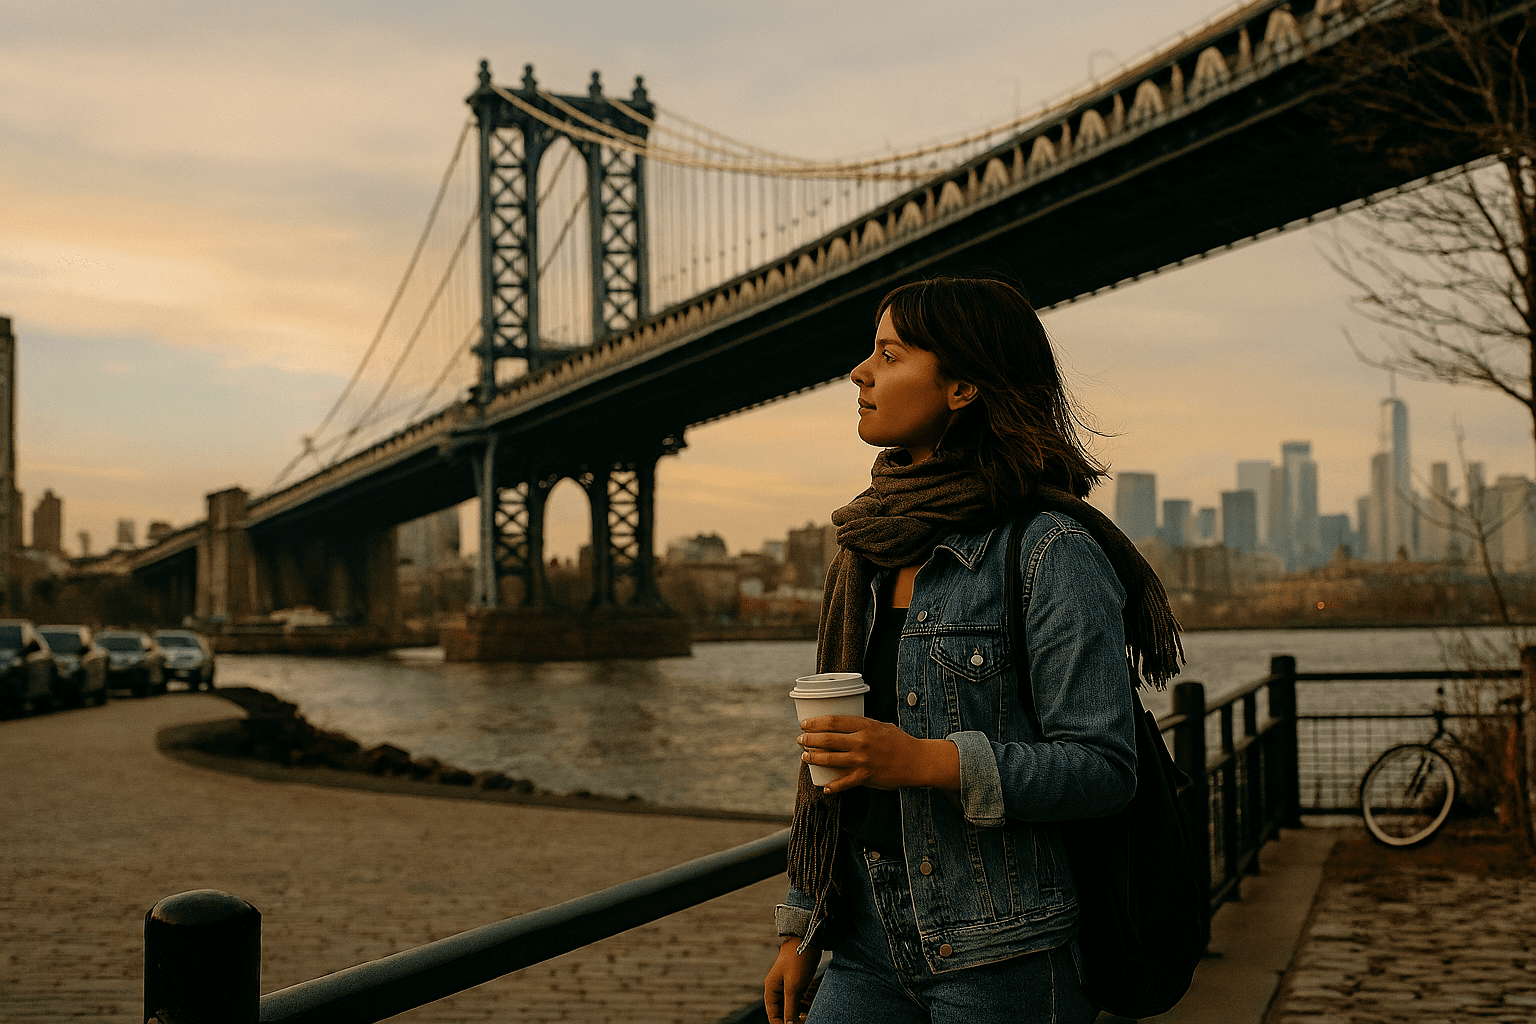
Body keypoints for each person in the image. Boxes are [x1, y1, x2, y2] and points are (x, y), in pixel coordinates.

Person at [762, 276, 1182, 1024]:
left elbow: (1103, 768)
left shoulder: (1052, 551)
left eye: (888, 355)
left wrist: (923, 760)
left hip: (1005, 954)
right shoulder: (867, 550)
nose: (859, 373)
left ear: (961, 387)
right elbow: (832, 770)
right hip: (863, 943)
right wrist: (802, 925)